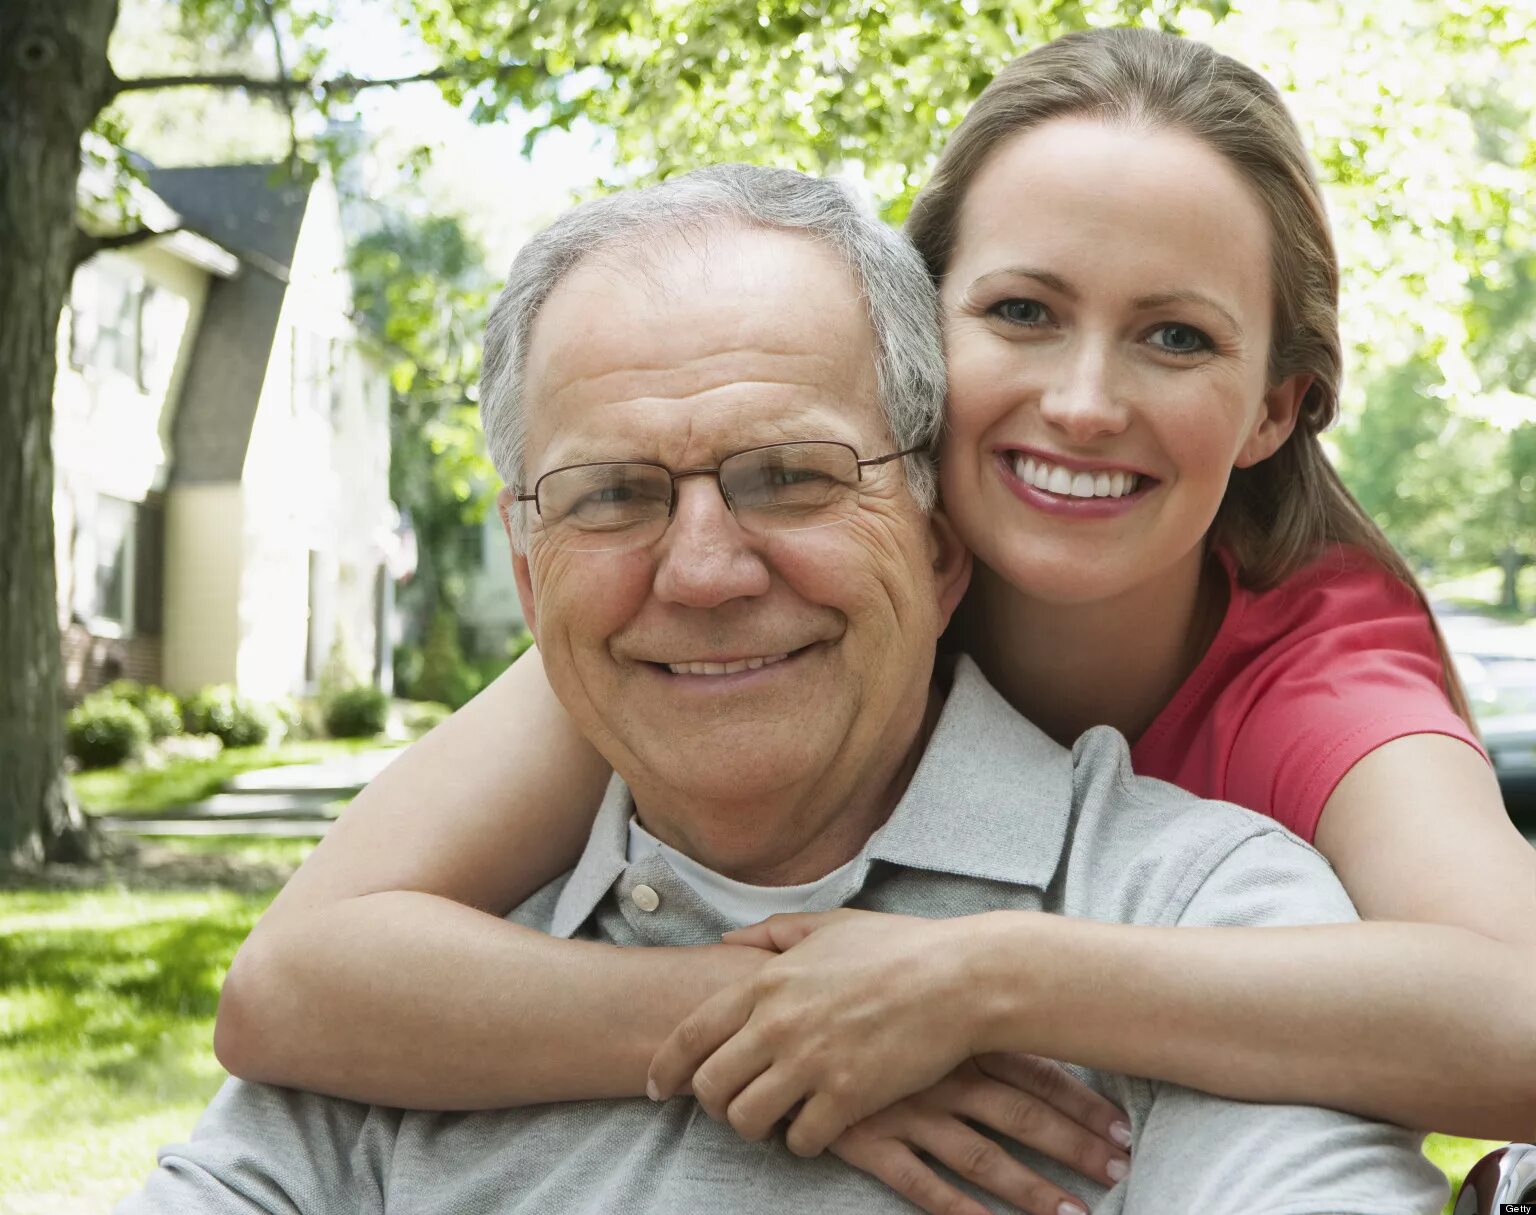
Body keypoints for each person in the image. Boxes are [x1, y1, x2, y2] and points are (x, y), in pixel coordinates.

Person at [215, 25, 1536, 1213]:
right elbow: (296, 981)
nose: (1082, 401)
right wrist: (776, 1014)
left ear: (1273, 408)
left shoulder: (1317, 675)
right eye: (1022, 311)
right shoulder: (735, 594)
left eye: (1176, 338)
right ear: (917, 322)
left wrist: (979, 984)